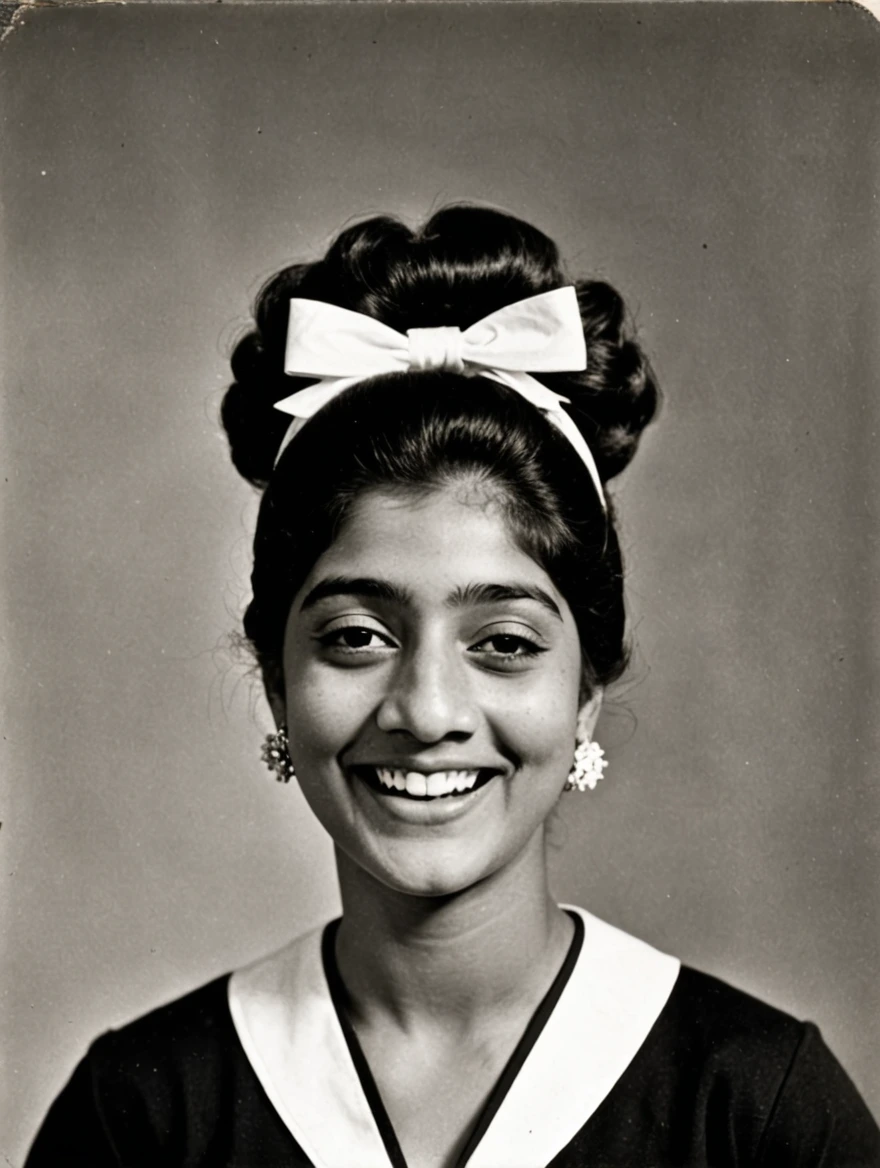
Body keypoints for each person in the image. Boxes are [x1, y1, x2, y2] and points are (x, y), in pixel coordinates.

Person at [26, 205, 880, 1167]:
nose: (428, 710)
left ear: (587, 689)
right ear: (276, 682)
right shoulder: (141, 1115)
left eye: (505, 643)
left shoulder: (757, 1107)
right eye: (357, 636)